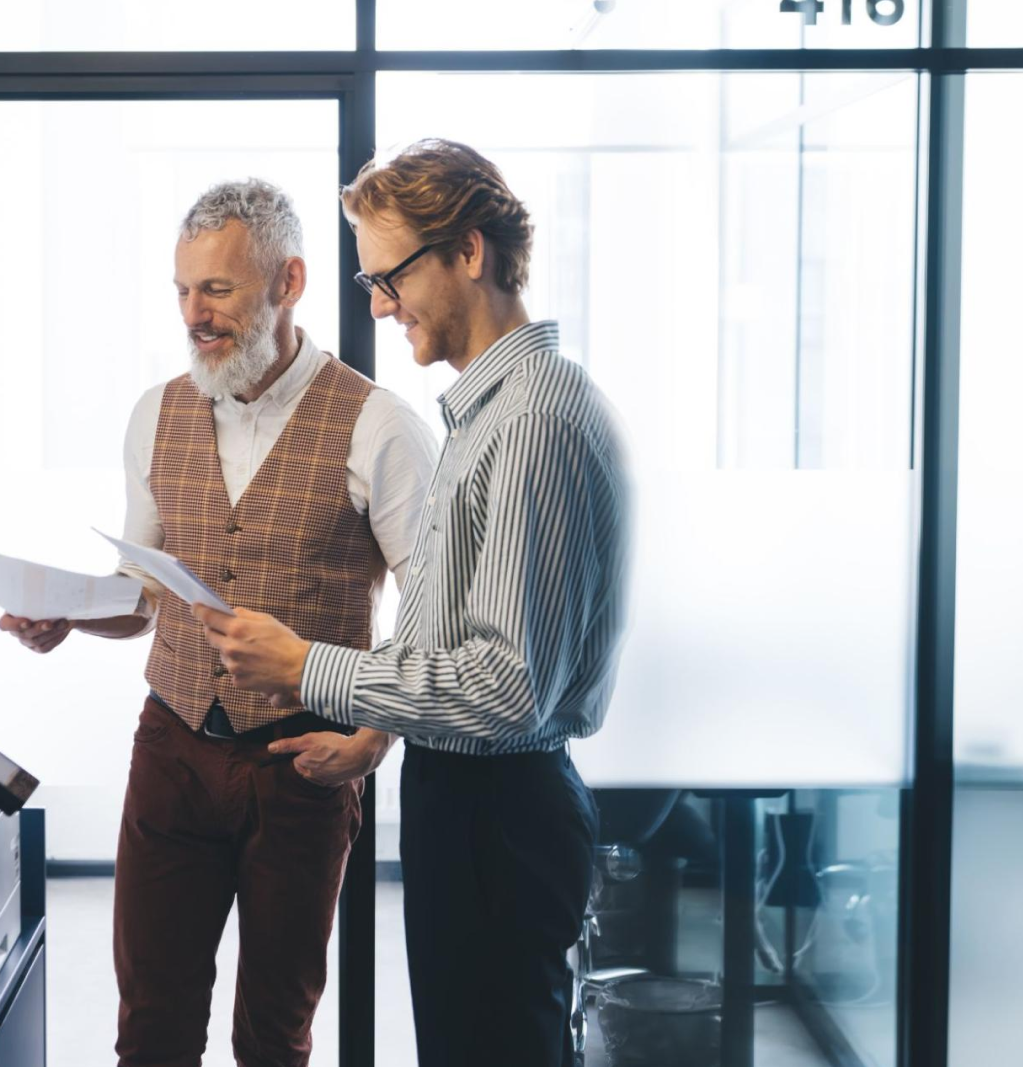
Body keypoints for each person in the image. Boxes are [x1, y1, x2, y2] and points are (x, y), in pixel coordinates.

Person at [194, 141, 632, 1067]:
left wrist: (307, 666)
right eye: (371, 281)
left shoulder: (531, 423)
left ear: (469, 252)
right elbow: (454, 627)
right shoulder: (492, 411)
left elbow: (507, 687)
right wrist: (377, 730)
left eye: (390, 277)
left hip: (497, 813)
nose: (381, 306)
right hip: (474, 800)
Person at [0, 178, 437, 1067]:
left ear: (289, 282)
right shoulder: (155, 413)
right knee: (150, 1030)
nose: (194, 314)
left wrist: (372, 740)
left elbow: (435, 609)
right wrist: (72, 617)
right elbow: (144, 595)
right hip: (171, 751)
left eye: (219, 290)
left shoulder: (379, 425)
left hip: (302, 765)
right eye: (183, 290)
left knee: (273, 1037)